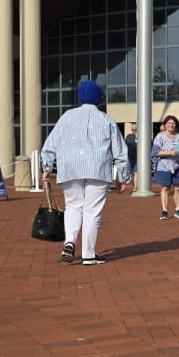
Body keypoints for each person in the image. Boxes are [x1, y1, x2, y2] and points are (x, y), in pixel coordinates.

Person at [40, 80, 129, 265]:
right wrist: (122, 177)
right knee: (92, 212)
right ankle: (89, 254)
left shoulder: (67, 117)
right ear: (99, 99)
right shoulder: (106, 119)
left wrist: (46, 168)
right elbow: (120, 150)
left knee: (73, 207)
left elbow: (51, 143)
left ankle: (70, 241)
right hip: (98, 169)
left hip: (70, 168)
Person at [151, 115, 179, 220]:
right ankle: (164, 210)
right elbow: (155, 152)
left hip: (177, 165)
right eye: (169, 123)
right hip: (164, 166)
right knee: (165, 188)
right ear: (165, 124)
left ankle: (178, 209)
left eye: (173, 123)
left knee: (177, 188)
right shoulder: (160, 136)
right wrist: (170, 152)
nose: (171, 125)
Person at [124, 123, 138, 187]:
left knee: (136, 172)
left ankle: (135, 187)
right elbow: (125, 146)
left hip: (138, 158)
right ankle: (133, 181)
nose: (134, 131)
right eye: (133, 129)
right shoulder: (128, 136)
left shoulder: (142, 136)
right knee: (132, 173)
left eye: (135, 129)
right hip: (130, 157)